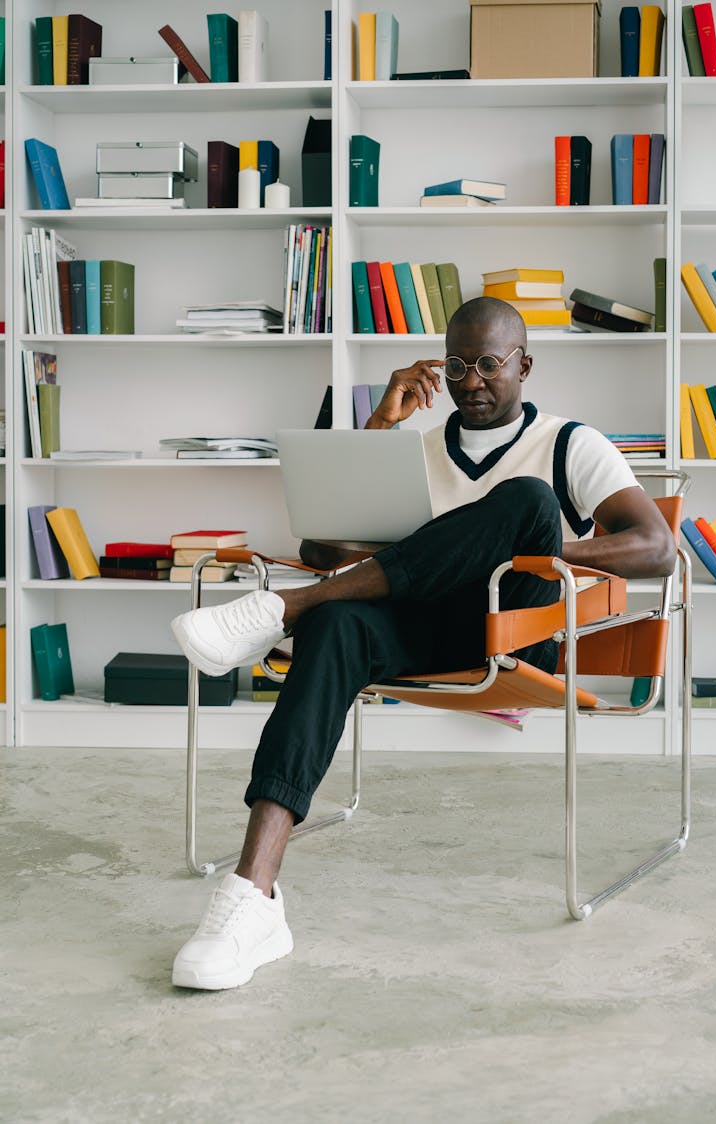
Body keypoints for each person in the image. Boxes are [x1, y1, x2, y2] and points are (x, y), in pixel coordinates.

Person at [170, 297, 676, 991]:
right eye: (458, 364)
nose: (472, 381)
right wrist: (381, 428)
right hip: (426, 632)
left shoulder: (568, 444)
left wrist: (524, 550)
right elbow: (326, 546)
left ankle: (280, 609)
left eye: (490, 364)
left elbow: (658, 548)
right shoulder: (416, 449)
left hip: (517, 635)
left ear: (524, 365)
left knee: (525, 501)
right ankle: (252, 899)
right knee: (337, 623)